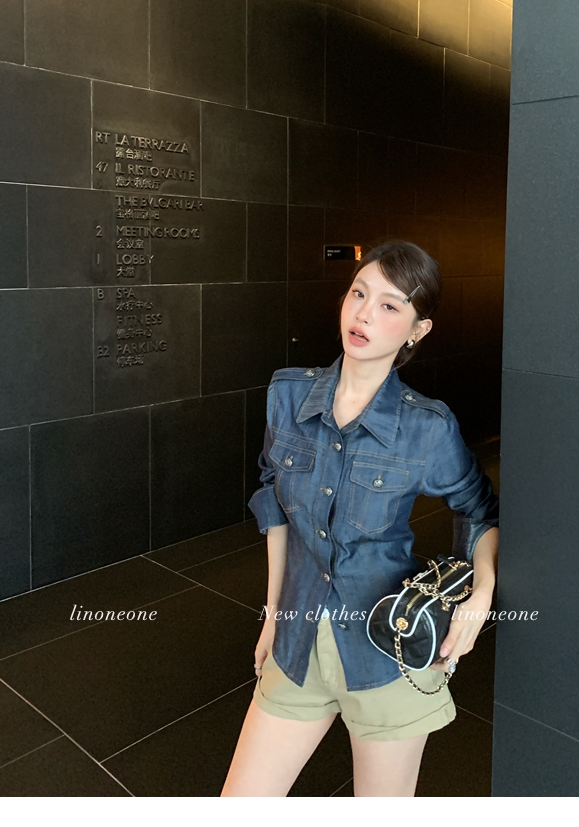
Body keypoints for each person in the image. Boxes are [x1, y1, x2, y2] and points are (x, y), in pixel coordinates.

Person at [221, 240, 499, 798]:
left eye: (390, 305)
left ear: (417, 331)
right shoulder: (287, 394)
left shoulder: (427, 428)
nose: (365, 313)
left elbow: (479, 510)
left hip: (388, 654)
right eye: (358, 294)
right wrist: (273, 614)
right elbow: (274, 501)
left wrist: (481, 594)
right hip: (296, 645)